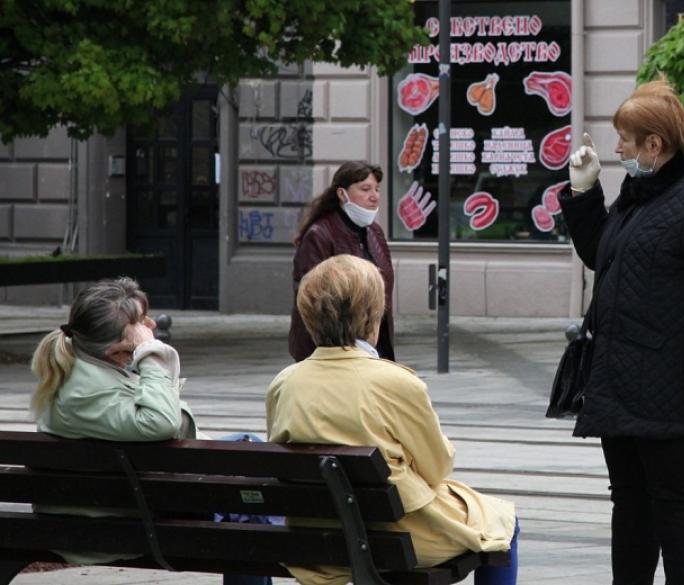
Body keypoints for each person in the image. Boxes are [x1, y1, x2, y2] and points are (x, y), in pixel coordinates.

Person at [559, 79, 684, 585]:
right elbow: (604, 253)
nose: (617, 148)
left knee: (675, 503)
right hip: (621, 380)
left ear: (655, 144)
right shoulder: (640, 194)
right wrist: (583, 193)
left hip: (673, 387)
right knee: (630, 502)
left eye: (624, 139)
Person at [267, 254, 519, 585]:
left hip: (315, 534)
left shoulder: (285, 382)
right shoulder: (395, 382)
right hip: (399, 533)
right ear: (373, 317)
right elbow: (437, 467)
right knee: (504, 523)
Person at [29, 278, 272, 585]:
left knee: (245, 452)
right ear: (116, 350)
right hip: (117, 523)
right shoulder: (83, 393)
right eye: (141, 323)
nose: (151, 325)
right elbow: (161, 423)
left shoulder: (83, 371)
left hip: (121, 507)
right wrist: (152, 355)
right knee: (247, 500)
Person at [289, 161, 395, 362]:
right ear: (341, 194)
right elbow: (312, 298)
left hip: (374, 345)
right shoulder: (320, 235)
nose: (374, 197)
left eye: (377, 189)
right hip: (333, 347)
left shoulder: (374, 232)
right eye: (365, 189)